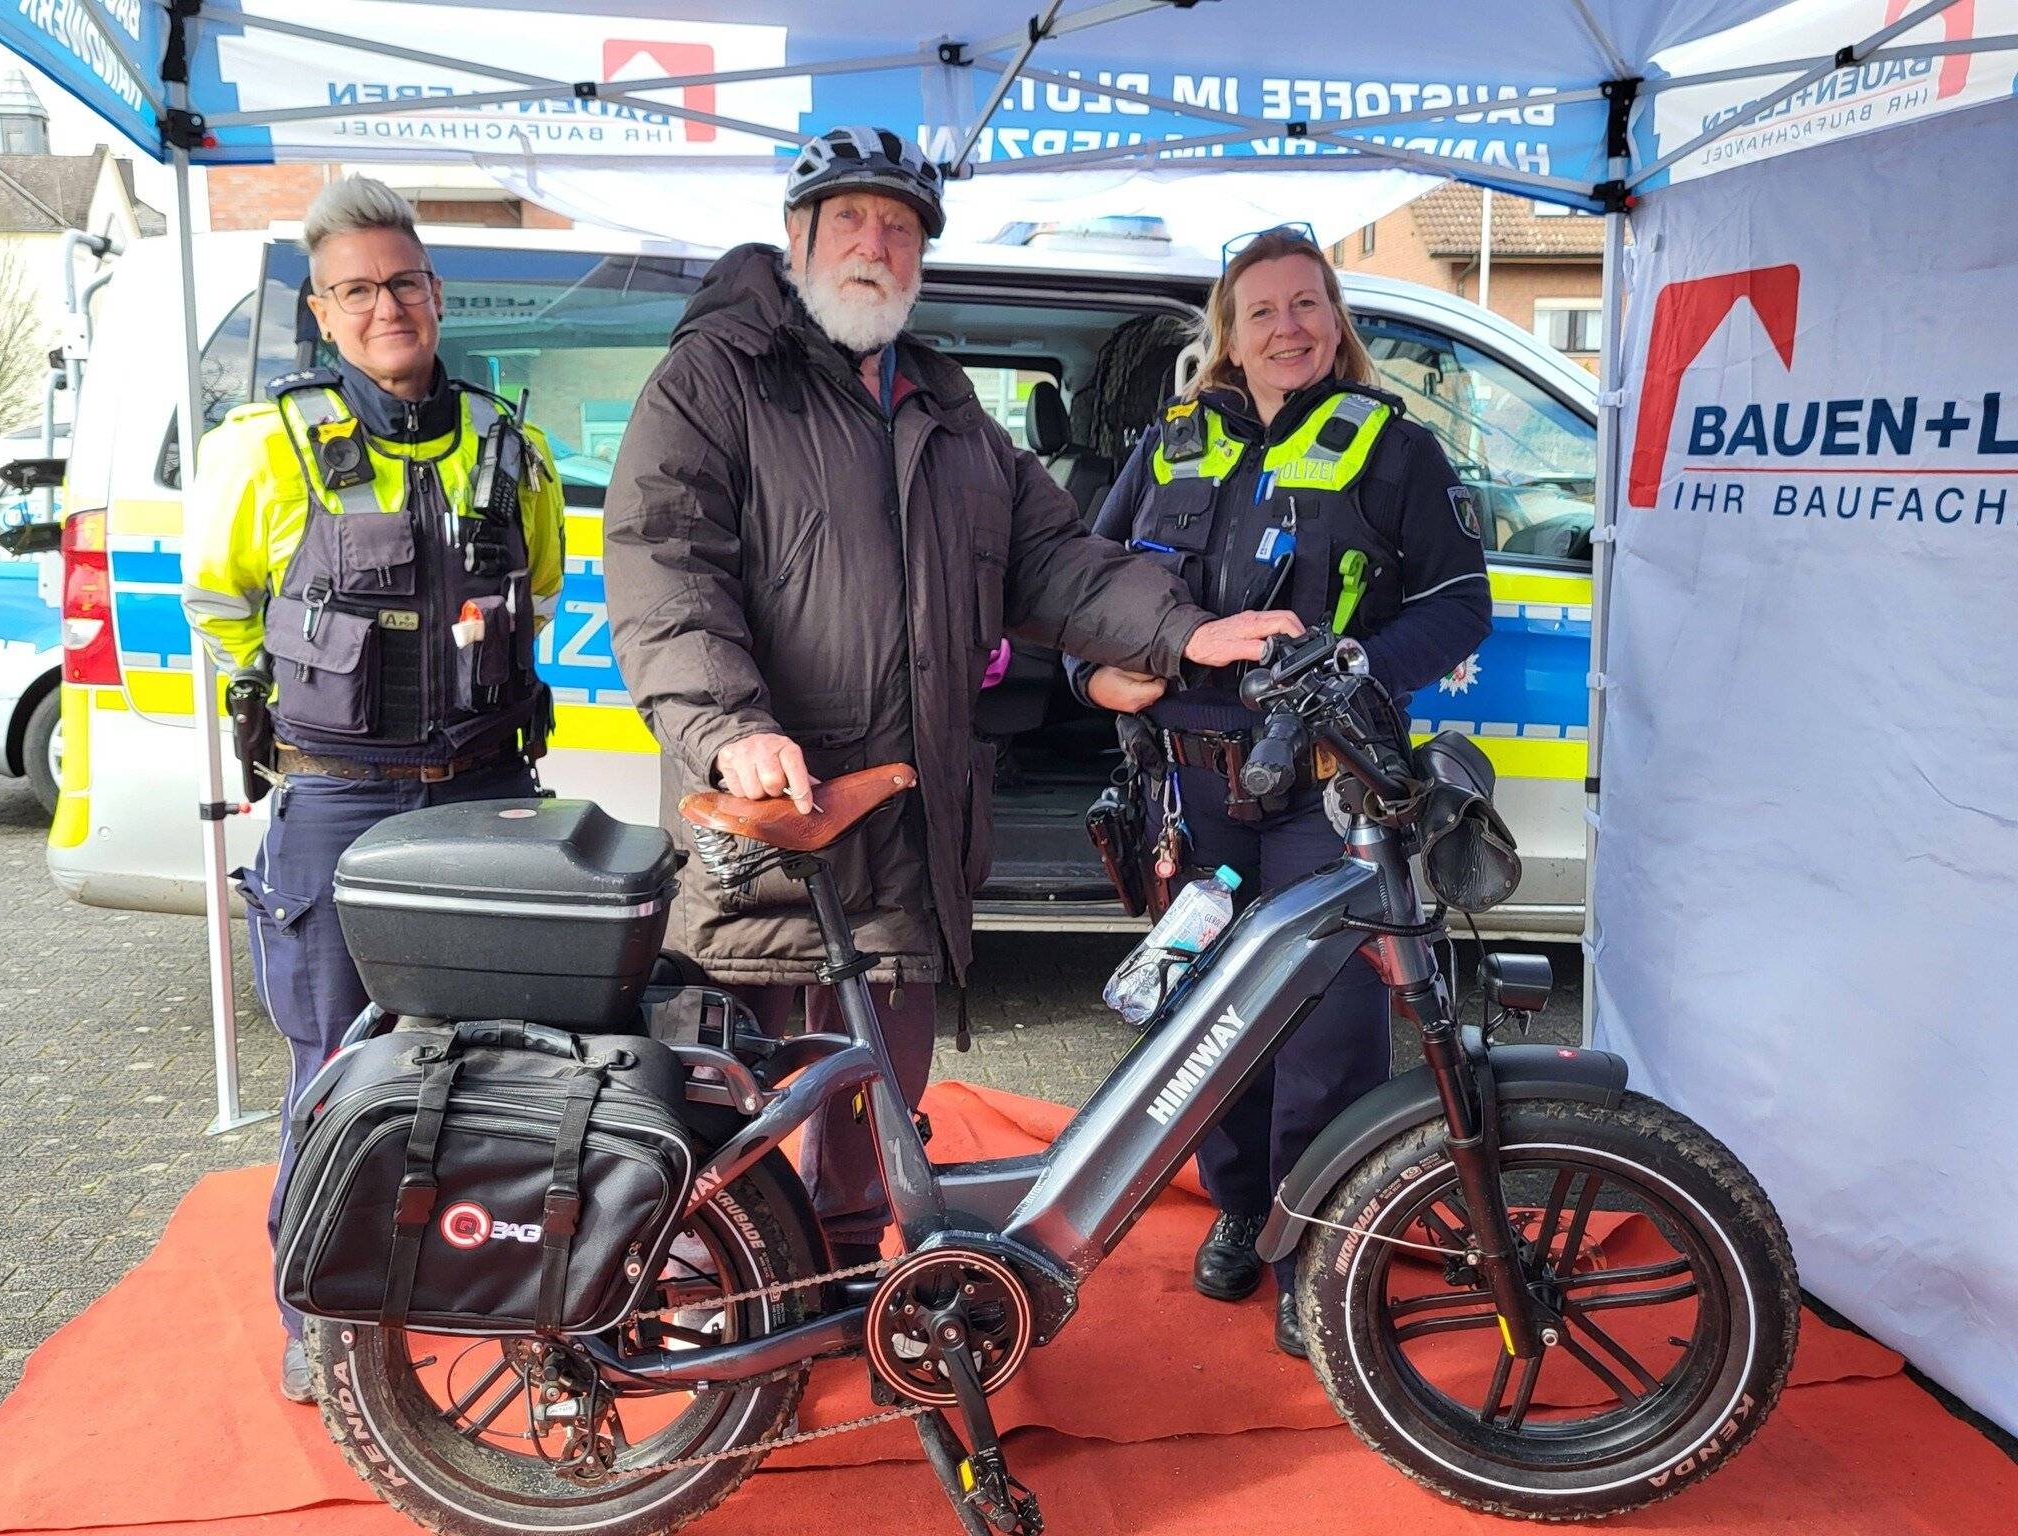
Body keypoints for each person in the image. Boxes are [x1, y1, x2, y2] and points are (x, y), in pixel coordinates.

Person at [602, 126, 1294, 1270]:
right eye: (851, 222)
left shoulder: (943, 404)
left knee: (872, 1118)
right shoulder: (717, 379)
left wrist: (1188, 630)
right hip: (778, 832)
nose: (876, 245)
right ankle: (709, 1321)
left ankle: (824, 1305)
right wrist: (731, 729)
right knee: (737, 1116)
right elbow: (663, 573)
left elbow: (1056, 564)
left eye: (900, 227)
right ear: (797, 239)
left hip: (910, 835)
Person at [1068, 226, 1492, 1357]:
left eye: (1306, 305)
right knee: (1205, 1015)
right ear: (1227, 332)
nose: (1287, 328)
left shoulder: (1394, 450)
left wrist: (1353, 675)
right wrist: (1089, 669)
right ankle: (1242, 1208)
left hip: (1327, 789)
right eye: (1261, 311)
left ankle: (1318, 1244)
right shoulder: (1169, 444)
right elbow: (1081, 586)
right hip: (1190, 791)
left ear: (1335, 320)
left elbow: (1456, 606)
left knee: (1326, 1026)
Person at [181, 175, 564, 1403]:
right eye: (357, 290)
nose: (386, 305)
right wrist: (299, 698)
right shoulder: (264, 446)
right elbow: (221, 601)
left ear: (437, 295)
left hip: (485, 794)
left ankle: (461, 1280)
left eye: (403, 281)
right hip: (337, 800)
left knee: (492, 1060)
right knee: (331, 1065)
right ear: (326, 314)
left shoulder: (512, 444)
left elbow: (538, 595)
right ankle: (317, 1309)